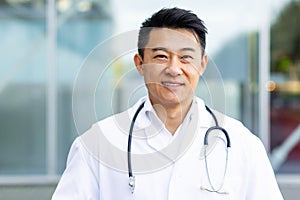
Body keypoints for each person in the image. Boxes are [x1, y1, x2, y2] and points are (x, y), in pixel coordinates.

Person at [52, 7, 284, 200]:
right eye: (161, 56)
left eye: (186, 57)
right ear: (140, 64)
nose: (174, 69)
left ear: (202, 65)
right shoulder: (97, 144)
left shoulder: (242, 143)